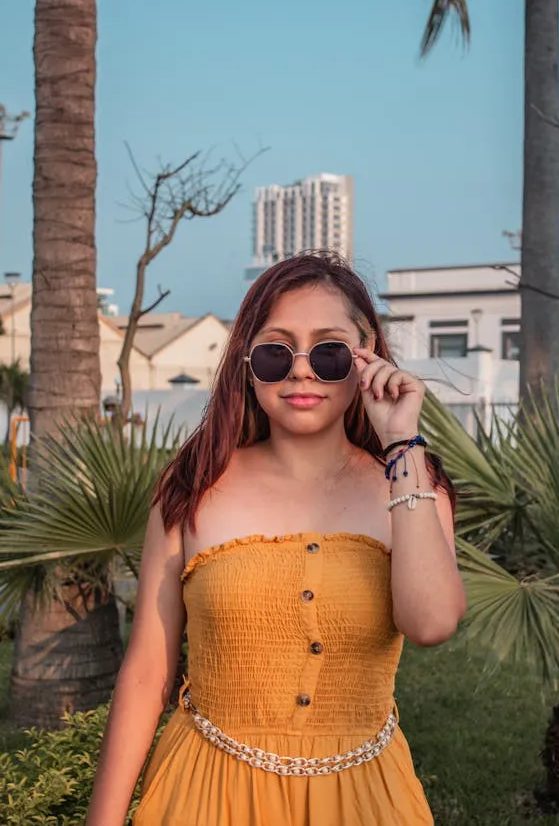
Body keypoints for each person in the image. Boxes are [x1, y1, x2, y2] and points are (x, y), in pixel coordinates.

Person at [87, 252, 466, 826]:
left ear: (368, 356)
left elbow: (432, 623)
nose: (302, 370)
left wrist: (402, 445)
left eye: (331, 350)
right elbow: (147, 671)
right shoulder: (193, 484)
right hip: (205, 794)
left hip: (365, 800)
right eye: (275, 350)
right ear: (246, 362)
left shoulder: (414, 486)